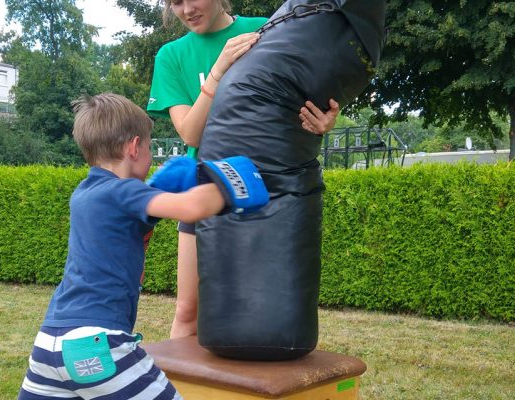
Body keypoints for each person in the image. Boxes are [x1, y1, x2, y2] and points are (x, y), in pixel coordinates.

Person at [17, 93, 268, 399]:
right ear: (134, 147)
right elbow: (190, 209)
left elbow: (129, 220)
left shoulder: (85, 194)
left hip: (49, 344)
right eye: (149, 147)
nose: (151, 158)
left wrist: (157, 190)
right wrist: (232, 185)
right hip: (97, 344)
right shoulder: (123, 191)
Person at [147, 0, 340, 338]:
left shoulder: (266, 28)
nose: (186, 9)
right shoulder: (171, 55)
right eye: (175, 2)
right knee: (188, 310)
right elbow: (191, 132)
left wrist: (324, 118)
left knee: (269, 309)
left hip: (267, 187)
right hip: (204, 190)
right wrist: (220, 69)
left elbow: (302, 96)